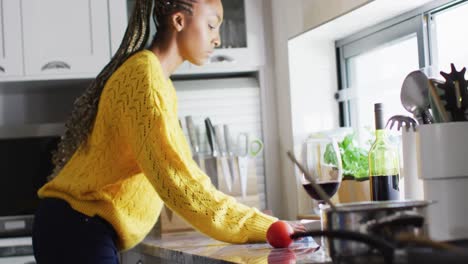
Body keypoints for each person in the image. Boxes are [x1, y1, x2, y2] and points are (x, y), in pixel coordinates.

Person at [32, 0, 304, 263]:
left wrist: (257, 220)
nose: (217, 39)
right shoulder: (145, 79)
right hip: (78, 228)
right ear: (178, 20)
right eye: (211, 26)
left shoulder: (154, 79)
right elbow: (179, 183)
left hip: (74, 225)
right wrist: (263, 225)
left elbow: (185, 173)